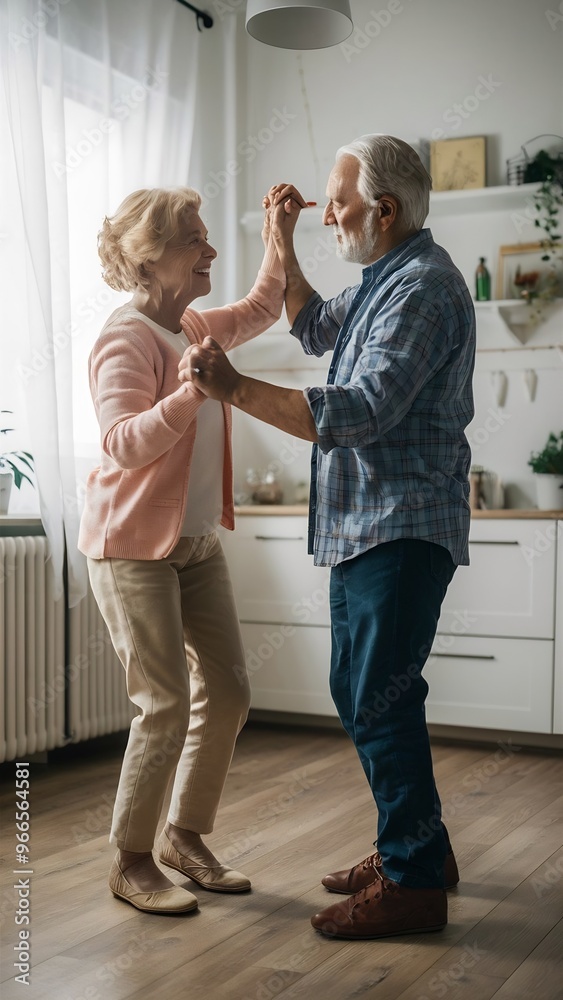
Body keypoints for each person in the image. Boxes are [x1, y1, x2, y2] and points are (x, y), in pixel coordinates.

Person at [177, 135, 476, 939]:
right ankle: (421, 849)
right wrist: (279, 242)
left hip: (400, 525)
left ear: (383, 210)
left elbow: (361, 411)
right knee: (365, 693)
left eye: (337, 201)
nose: (327, 211)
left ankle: (412, 883)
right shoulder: (382, 281)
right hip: (363, 528)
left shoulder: (422, 289)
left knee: (378, 700)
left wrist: (234, 387)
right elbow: (312, 327)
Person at [78, 184, 285, 914]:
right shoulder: (124, 337)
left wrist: (276, 229)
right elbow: (121, 444)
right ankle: (131, 861)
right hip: (132, 547)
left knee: (227, 690)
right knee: (163, 703)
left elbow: (263, 305)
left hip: (194, 543)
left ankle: (183, 838)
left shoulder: (194, 321)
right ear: (150, 257)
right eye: (195, 239)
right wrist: (193, 392)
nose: (210, 250)